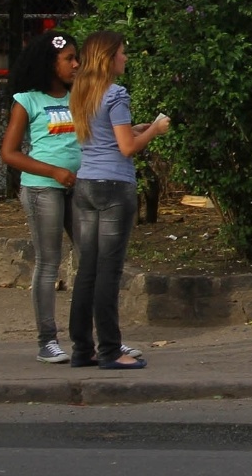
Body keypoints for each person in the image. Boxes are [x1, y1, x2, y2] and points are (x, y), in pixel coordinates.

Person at [68, 31, 170, 370]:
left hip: (86, 185)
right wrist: (155, 129)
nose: (126, 58)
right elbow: (126, 149)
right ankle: (111, 350)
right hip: (114, 187)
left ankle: (83, 348)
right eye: (122, 53)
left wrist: (135, 127)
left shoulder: (82, 92)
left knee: (88, 270)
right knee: (108, 272)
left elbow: (106, 136)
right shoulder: (116, 94)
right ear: (109, 58)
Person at [0, 31, 82, 364]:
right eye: (69, 59)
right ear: (51, 63)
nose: (77, 64)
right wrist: (53, 172)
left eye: (77, 58)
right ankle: (47, 340)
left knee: (92, 258)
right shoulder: (27, 100)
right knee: (49, 264)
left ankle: (96, 336)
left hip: (79, 188)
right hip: (42, 188)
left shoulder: (79, 97)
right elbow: (9, 153)